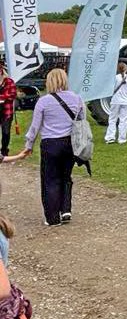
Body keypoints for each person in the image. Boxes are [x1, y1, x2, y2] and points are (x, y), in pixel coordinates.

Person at [22, 69, 85, 226]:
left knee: (50, 179)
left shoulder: (43, 101)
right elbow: (82, 120)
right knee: (66, 176)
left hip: (50, 143)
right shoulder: (77, 99)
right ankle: (65, 209)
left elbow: (35, 127)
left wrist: (28, 145)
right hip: (70, 143)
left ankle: (52, 217)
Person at [105, 62, 127, 144]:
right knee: (123, 120)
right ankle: (122, 139)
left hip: (115, 100)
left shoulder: (115, 78)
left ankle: (110, 137)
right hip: (126, 101)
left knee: (112, 119)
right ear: (126, 69)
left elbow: (110, 89)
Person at [0, 65, 16, 158]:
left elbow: (13, 95)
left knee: (6, 132)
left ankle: (4, 150)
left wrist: (2, 97)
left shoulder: (9, 81)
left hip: (7, 111)